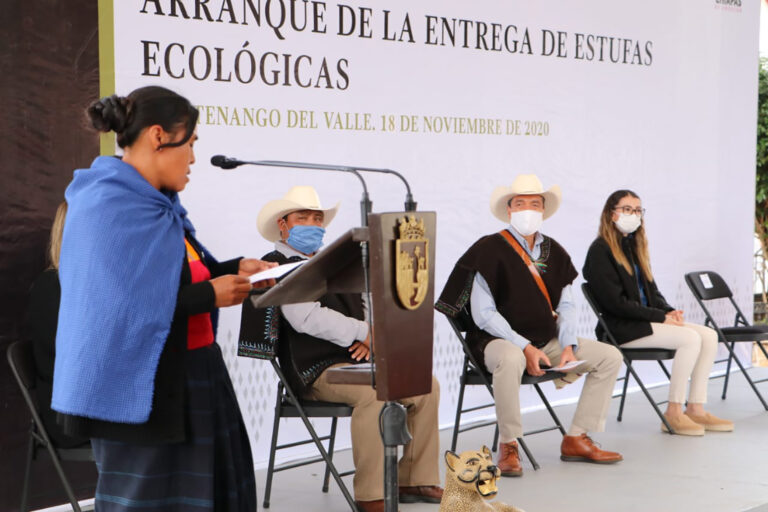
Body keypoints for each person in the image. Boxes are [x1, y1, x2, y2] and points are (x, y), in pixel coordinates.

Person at [51, 86, 276, 511]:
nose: (192, 157)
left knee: (213, 497)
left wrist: (232, 269)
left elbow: (167, 282)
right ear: (158, 136)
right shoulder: (106, 205)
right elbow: (114, 310)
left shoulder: (160, 205)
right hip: (138, 388)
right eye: (190, 143)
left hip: (193, 375)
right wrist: (209, 294)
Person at [251, 185, 443, 512]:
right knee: (373, 393)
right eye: (303, 217)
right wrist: (363, 333)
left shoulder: (335, 260)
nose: (313, 223)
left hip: (354, 361)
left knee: (426, 385)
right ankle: (370, 494)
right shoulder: (274, 264)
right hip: (314, 371)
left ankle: (413, 478)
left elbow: (368, 299)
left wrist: (374, 340)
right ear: (283, 224)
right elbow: (304, 318)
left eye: (317, 218)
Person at [436, 174, 624, 477]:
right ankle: (509, 444)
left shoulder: (555, 251)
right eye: (520, 203)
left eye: (535, 204)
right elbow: (484, 315)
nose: (528, 209)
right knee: (511, 358)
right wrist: (523, 347)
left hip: (544, 339)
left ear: (543, 210)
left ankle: (576, 437)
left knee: (610, 356)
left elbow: (566, 305)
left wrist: (568, 346)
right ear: (509, 209)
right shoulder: (488, 249)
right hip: (495, 341)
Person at [582, 189, 733, 436]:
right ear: (612, 214)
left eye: (638, 210)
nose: (634, 214)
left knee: (709, 335)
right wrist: (660, 318)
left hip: (645, 322)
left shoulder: (634, 246)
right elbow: (615, 304)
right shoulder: (600, 251)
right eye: (627, 209)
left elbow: (652, 292)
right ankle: (673, 413)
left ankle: (695, 408)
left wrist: (670, 312)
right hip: (622, 328)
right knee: (690, 338)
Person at [25, 200, 90, 449]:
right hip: (70, 416)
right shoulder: (51, 286)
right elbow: (76, 359)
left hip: (93, 406)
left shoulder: (86, 284)